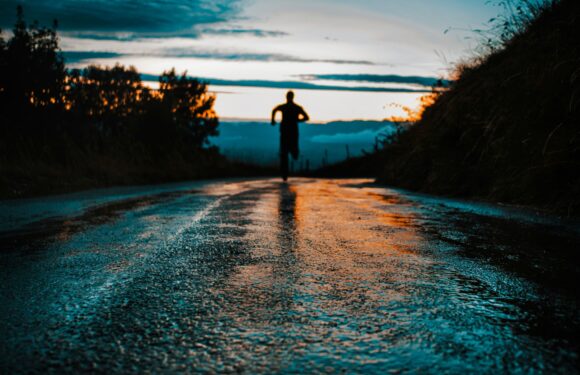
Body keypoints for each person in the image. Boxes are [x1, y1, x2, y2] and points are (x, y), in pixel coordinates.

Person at [271, 91, 310, 181]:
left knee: (287, 152)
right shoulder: (296, 108)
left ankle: (287, 167)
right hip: (290, 132)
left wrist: (273, 120)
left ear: (287, 97)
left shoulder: (288, 107)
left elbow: (274, 110)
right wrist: (297, 120)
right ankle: (285, 173)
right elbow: (306, 117)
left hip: (287, 132)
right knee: (285, 152)